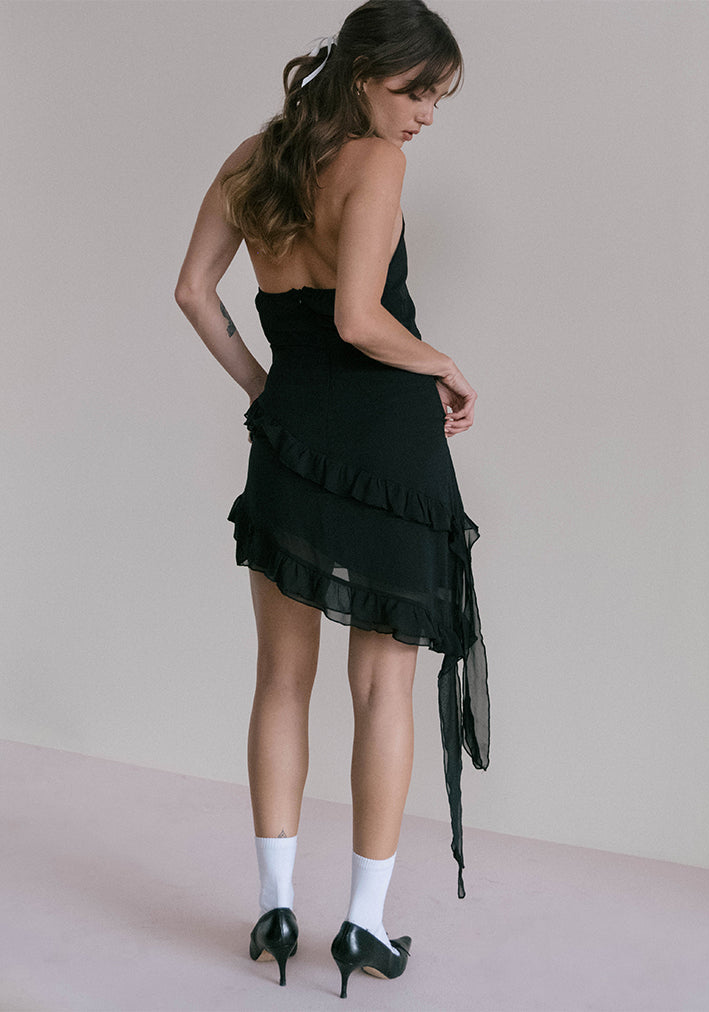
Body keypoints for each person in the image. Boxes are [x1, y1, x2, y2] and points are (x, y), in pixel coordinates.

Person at [175, 0, 489, 997]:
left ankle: (275, 911)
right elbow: (360, 319)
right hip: (388, 450)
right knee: (380, 690)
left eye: (436, 99)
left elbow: (193, 292)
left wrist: (267, 393)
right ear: (362, 77)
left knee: (280, 676)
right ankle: (362, 925)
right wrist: (443, 362)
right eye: (415, 92)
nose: (424, 115)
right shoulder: (376, 164)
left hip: (292, 443)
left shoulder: (252, 159)